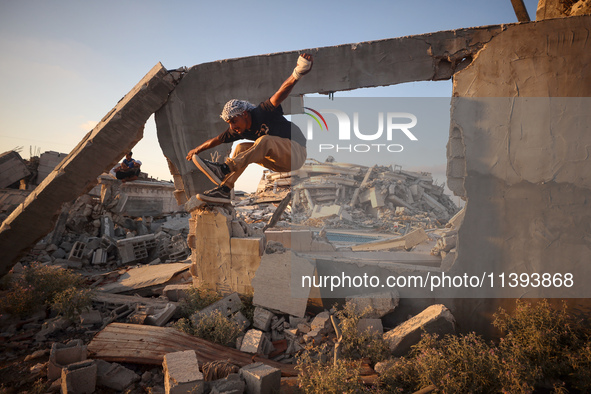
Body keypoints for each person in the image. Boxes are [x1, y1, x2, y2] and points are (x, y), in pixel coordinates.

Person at [186, 53, 314, 203]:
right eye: (229, 123)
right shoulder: (237, 129)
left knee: (264, 140)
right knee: (241, 148)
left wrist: (297, 73)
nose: (233, 127)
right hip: (277, 162)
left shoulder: (262, 112)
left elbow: (280, 93)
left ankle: (224, 169)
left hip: (296, 153)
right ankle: (225, 189)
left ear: (245, 114)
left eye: (234, 121)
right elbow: (216, 140)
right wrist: (196, 150)